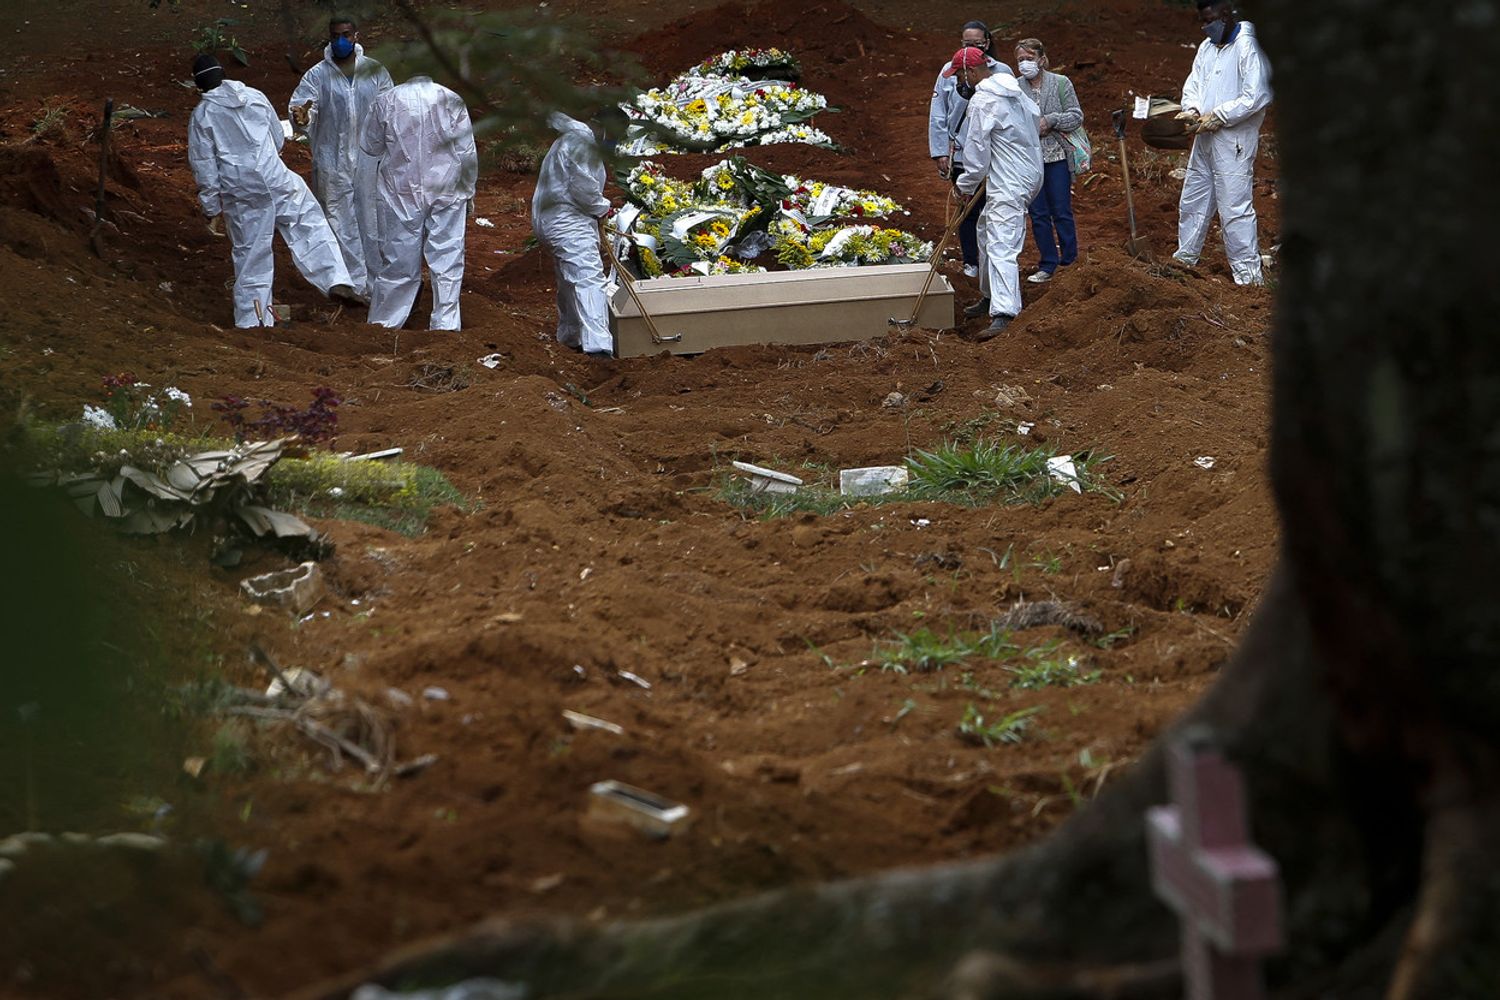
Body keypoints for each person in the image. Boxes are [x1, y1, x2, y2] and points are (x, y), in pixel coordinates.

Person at [186, 54, 356, 329]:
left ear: (199, 85)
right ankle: (335, 278)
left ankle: (253, 322)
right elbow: (278, 136)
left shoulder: (203, 116)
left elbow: (205, 166)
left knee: (251, 254)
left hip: (241, 192)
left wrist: (211, 208)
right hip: (275, 177)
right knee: (308, 221)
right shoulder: (254, 96)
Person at [289, 15, 394, 303]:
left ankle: (378, 284)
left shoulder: (374, 72)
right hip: (332, 162)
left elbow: (390, 110)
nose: (340, 41)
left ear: (356, 35)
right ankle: (351, 284)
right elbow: (302, 109)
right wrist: (302, 117)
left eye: (345, 34)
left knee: (372, 220)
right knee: (339, 221)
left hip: (368, 161)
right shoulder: (317, 75)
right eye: (335, 36)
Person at [360, 75, 478, 330]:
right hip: (446, 188)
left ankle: (385, 323)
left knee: (398, 260)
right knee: (447, 256)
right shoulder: (451, 99)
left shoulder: (386, 101)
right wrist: (468, 189)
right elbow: (466, 151)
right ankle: (445, 324)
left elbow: (370, 145)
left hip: (400, 190)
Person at [1173, 0, 1272, 285]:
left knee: (1234, 208)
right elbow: (1193, 84)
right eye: (1203, 22)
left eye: (1210, 21)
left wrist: (1219, 115)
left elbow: (1258, 94)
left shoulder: (1248, 46)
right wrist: (1191, 110)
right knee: (1193, 198)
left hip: (1234, 141)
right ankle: (1185, 259)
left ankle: (1248, 279)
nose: (1206, 27)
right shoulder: (1206, 48)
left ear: (1227, 15)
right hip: (1204, 136)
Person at [954, 58, 1044, 339]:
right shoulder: (1016, 92)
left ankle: (1004, 313)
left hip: (1009, 180)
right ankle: (989, 294)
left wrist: (964, 184)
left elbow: (977, 154)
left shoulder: (982, 101)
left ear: (970, 72)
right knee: (984, 228)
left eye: (958, 76)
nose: (958, 83)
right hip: (1028, 172)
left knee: (1001, 242)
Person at [530, 107, 628, 358]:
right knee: (589, 279)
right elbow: (583, 190)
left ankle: (571, 335)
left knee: (568, 279)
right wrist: (603, 207)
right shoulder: (581, 144)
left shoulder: (573, 139)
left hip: (556, 219)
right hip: (567, 221)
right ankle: (599, 347)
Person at [928, 23, 1011, 278]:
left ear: (986, 43)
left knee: (992, 209)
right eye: (966, 43)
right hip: (962, 151)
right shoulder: (947, 71)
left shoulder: (1003, 72)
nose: (970, 48)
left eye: (976, 43)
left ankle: (993, 265)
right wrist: (940, 151)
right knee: (965, 208)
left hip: (994, 153)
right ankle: (971, 261)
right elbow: (938, 113)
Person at [1014, 38, 1083, 284]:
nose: (1025, 64)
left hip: (1056, 157)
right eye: (1021, 59)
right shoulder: (1015, 87)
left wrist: (1050, 120)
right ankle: (1048, 263)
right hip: (1028, 160)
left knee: (1061, 210)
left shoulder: (1061, 83)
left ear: (1041, 59)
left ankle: (1070, 261)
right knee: (1038, 213)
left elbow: (1076, 115)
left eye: (1029, 58)